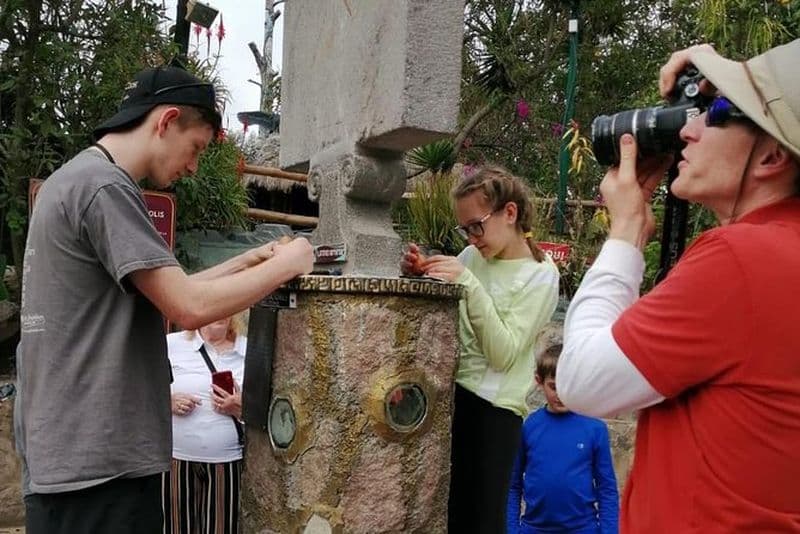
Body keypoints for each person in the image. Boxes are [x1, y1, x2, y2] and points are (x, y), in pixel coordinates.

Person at [15, 65, 314, 534]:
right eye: (195, 147)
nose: (193, 166)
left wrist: (252, 260)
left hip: (64, 454)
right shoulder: (107, 188)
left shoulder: (69, 182)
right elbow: (187, 307)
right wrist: (291, 260)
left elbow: (170, 289)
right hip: (100, 467)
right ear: (166, 120)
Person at [556, 40, 800, 532]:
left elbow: (581, 381)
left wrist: (624, 235)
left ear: (772, 156)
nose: (686, 130)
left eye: (714, 112)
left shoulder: (743, 261)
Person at [402, 165, 560, 533]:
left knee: (483, 521)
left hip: (496, 412)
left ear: (510, 213)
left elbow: (502, 355)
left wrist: (468, 284)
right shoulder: (474, 258)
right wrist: (422, 269)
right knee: (450, 516)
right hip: (455, 398)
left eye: (477, 225)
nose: (472, 238)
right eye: (465, 229)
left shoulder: (541, 276)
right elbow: (455, 293)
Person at [506, 344, 618, 534]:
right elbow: (513, 485)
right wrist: (512, 529)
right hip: (534, 528)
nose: (561, 394)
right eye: (554, 386)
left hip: (583, 528)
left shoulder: (595, 429)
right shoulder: (529, 427)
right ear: (539, 381)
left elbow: (607, 489)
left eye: (569, 386)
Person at [162, 314, 247, 534]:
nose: (221, 314)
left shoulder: (248, 349)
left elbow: (265, 406)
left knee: (221, 529)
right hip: (177, 460)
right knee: (177, 528)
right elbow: (142, 386)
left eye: (227, 307)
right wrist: (167, 401)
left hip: (226, 461)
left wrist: (240, 406)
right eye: (215, 307)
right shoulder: (173, 344)